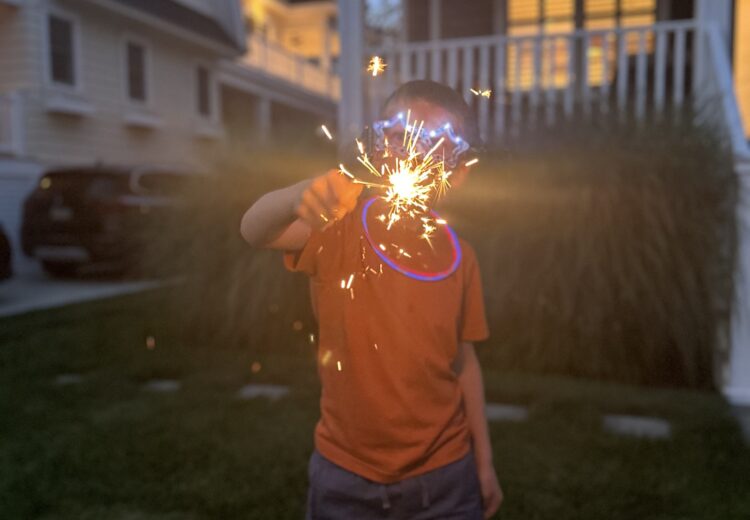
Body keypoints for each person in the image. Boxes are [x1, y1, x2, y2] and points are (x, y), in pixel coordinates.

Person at [240, 80, 503, 519]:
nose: (413, 153)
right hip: (346, 476)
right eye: (400, 135)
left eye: (435, 142)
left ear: (458, 171)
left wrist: (484, 460)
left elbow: (464, 362)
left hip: (445, 476)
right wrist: (302, 195)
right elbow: (253, 230)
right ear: (378, 145)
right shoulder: (338, 226)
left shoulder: (462, 259)